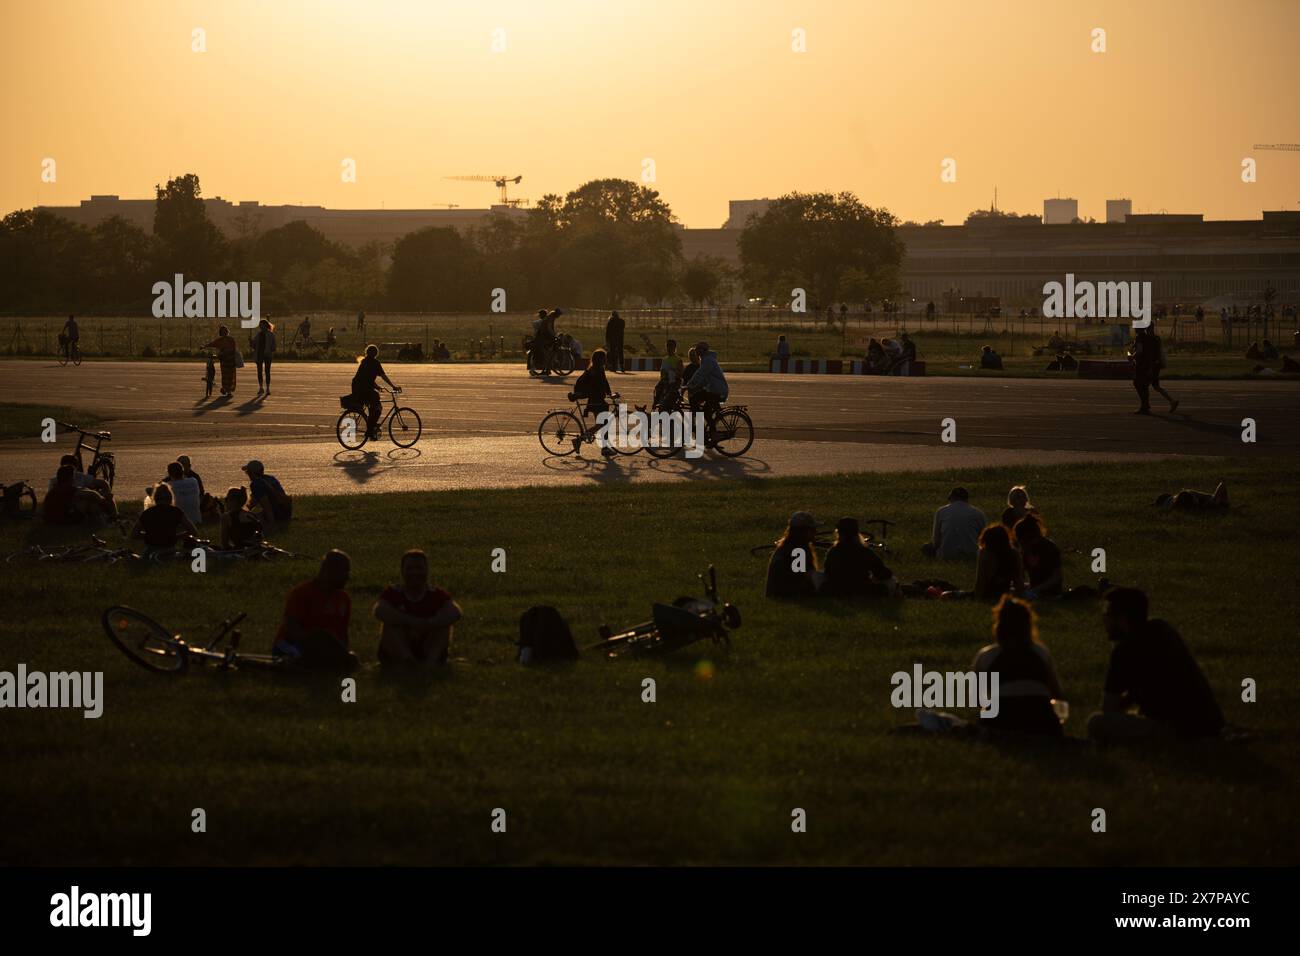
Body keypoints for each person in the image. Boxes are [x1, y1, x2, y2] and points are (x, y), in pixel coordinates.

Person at [1087, 587, 1225, 741]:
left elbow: (1109, 709)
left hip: (1180, 730)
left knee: (1096, 723)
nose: (1104, 621)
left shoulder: (1124, 651)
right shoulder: (1163, 629)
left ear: (1121, 618)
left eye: (1107, 615)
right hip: (1210, 724)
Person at [973, 596, 1065, 736]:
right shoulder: (1041, 652)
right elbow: (1057, 693)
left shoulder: (986, 655)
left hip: (1001, 721)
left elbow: (978, 700)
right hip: (1042, 720)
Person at [373, 549, 463, 667]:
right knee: (390, 624)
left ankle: (431, 662)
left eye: (419, 568)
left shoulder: (436, 594)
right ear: (402, 571)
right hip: (400, 646)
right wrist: (409, 621)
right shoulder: (393, 593)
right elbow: (379, 610)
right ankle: (407, 660)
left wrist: (429, 623)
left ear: (426, 571)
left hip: (427, 645)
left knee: (444, 626)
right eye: (410, 569)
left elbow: (455, 612)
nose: (415, 573)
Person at [273, 550, 358, 671]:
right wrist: (314, 646)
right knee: (319, 639)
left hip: (322, 648)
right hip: (292, 644)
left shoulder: (344, 599)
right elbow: (291, 627)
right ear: (328, 572)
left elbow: (342, 634)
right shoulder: (301, 593)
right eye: (344, 573)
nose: (348, 577)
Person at [822, 517, 898, 597]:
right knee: (891, 581)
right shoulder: (864, 552)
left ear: (839, 533)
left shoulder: (833, 552)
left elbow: (827, 573)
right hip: (863, 591)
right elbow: (884, 573)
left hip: (837, 591)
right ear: (857, 533)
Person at [128, 482, 197, 554]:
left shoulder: (147, 513)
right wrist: (175, 537)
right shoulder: (176, 511)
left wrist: (150, 536)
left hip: (150, 551)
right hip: (170, 550)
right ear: (170, 497)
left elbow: (134, 534)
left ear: (155, 497)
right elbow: (193, 531)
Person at [765, 511, 820, 598]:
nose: (816, 532)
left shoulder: (788, 546)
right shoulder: (798, 550)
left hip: (778, 593)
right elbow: (800, 578)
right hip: (785, 595)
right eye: (812, 530)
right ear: (804, 531)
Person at [922, 487, 986, 561]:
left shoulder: (941, 511)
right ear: (966, 499)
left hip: (946, 555)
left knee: (925, 547)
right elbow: (985, 538)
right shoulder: (978, 513)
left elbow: (936, 541)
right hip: (972, 554)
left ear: (951, 498)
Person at [572, 348, 615, 457]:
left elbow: (605, 383)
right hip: (596, 401)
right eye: (604, 358)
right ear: (600, 359)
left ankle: (604, 448)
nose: (606, 360)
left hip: (598, 400)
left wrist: (610, 393)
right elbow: (598, 385)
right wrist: (609, 394)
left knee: (602, 424)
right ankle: (580, 440)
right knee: (603, 424)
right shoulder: (594, 371)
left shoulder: (598, 369)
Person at [351, 344, 399, 440]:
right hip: (364, 389)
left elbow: (367, 378)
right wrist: (393, 386)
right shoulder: (374, 362)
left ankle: (371, 428)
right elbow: (383, 376)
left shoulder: (364, 362)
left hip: (357, 388)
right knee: (378, 408)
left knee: (373, 405)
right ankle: (370, 430)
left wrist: (377, 387)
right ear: (375, 353)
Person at [42, 463, 115, 525]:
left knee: (82, 500)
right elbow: (90, 494)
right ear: (70, 478)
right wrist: (104, 501)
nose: (74, 479)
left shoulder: (55, 488)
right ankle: (106, 520)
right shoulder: (67, 488)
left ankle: (105, 518)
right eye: (73, 477)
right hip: (61, 520)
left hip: (50, 520)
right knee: (88, 503)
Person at [686, 340, 728, 441]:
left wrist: (690, 384)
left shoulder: (708, 360)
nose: (696, 351)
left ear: (703, 350)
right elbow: (704, 379)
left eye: (698, 349)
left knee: (706, 411)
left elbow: (700, 374)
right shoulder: (705, 360)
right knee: (695, 398)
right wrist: (693, 386)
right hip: (712, 390)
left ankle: (714, 433)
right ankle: (699, 425)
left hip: (718, 391)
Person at [1014, 514, 1063, 598]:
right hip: (1034, 587)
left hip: (1050, 591)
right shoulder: (1026, 549)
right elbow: (1020, 574)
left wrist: (1034, 590)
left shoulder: (1050, 548)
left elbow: (1056, 577)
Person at [972, 524, 1024, 601]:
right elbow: (1019, 581)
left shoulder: (985, 555)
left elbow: (980, 581)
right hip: (1006, 594)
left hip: (988, 595)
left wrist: (977, 599)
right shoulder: (1014, 553)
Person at [242, 459, 292, 529]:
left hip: (278, 514)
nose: (247, 474)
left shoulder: (256, 484)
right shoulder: (270, 478)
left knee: (245, 521)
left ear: (252, 473)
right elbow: (253, 502)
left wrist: (271, 524)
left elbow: (266, 505)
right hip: (287, 512)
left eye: (248, 472)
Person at [159, 460, 202, 526]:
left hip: (178, 523)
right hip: (196, 520)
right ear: (182, 471)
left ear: (169, 474)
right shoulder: (194, 481)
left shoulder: (168, 486)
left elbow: (150, 491)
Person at [1147, 327, 1179, 413]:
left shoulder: (1151, 339)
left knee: (1147, 385)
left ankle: (1145, 405)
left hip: (1153, 365)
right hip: (1156, 364)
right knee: (1155, 386)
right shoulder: (1157, 338)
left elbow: (1151, 354)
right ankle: (1171, 401)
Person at [203, 324, 239, 396]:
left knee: (231, 376)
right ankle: (225, 389)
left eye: (225, 331)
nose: (224, 332)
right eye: (222, 331)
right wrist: (204, 346)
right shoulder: (220, 340)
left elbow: (233, 349)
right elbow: (212, 344)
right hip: (224, 360)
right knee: (225, 375)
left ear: (227, 331)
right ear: (221, 332)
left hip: (231, 360)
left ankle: (228, 390)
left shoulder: (231, 340)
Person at [1154, 479, 1229, 512]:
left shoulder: (1172, 504)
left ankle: (1224, 504)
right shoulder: (1207, 503)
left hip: (1169, 500)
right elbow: (1222, 485)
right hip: (1172, 500)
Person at [1128, 327, 1156, 414]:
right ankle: (1146, 405)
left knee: (1138, 383)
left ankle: (1144, 405)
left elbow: (1140, 350)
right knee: (1144, 385)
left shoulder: (1139, 337)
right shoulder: (1148, 337)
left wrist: (1132, 356)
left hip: (1141, 364)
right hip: (1148, 363)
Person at [654, 339, 684, 409]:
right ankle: (656, 404)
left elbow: (680, 373)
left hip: (673, 382)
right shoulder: (664, 359)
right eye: (668, 346)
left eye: (671, 346)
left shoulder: (678, 359)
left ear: (674, 348)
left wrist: (673, 372)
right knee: (657, 389)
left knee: (668, 396)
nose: (669, 348)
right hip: (664, 381)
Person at [253, 318, 276, 395]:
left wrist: (270, 350)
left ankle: (268, 388)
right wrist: (251, 342)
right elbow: (254, 345)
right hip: (259, 355)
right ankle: (261, 387)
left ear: (265, 325)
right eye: (260, 326)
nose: (260, 327)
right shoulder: (258, 335)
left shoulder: (271, 334)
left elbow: (274, 346)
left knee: (267, 371)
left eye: (261, 325)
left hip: (267, 355)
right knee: (259, 371)